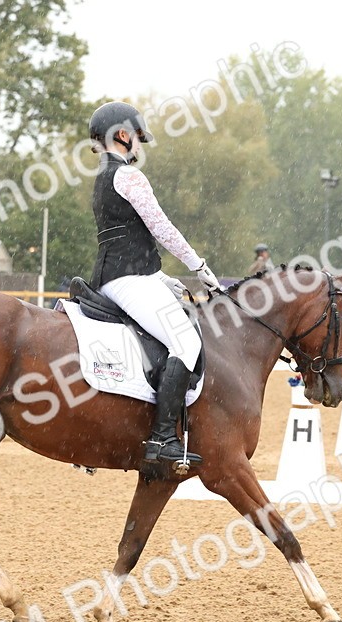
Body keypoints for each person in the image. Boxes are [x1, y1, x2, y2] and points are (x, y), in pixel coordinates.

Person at [88, 100, 221, 468]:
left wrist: (162, 277)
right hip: (127, 281)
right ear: (122, 135)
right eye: (136, 137)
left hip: (114, 278)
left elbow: (123, 239)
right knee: (186, 341)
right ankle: (163, 438)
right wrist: (198, 265)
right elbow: (161, 228)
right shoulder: (129, 176)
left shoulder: (102, 178)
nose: (139, 145)